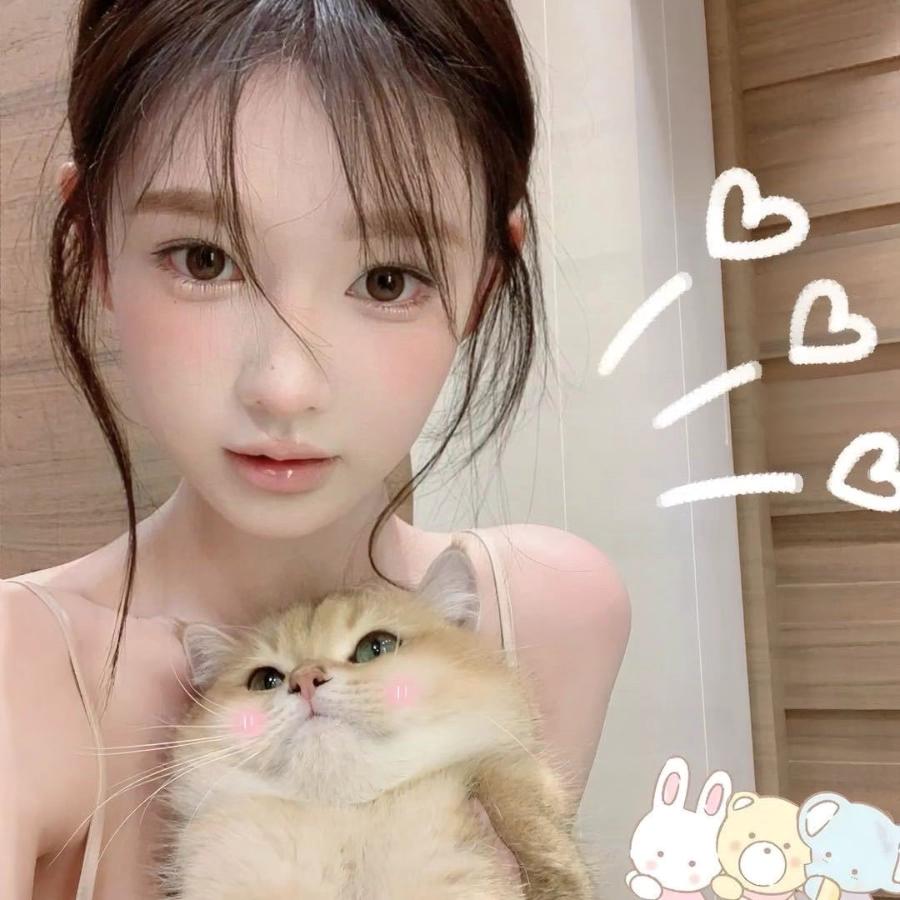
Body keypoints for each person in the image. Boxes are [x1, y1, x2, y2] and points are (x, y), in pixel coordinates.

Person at [1, 1, 631, 897]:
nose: (285, 386)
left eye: (387, 278)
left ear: (484, 284)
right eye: (203, 259)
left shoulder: (554, 610)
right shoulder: (17, 674)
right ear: (94, 245)